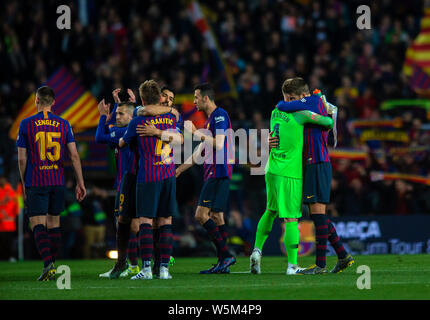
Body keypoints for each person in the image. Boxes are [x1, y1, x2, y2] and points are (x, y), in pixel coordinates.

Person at [250, 83, 334, 275]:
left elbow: (274, 134)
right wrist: (324, 106)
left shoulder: (274, 112)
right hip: (289, 173)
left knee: (270, 210)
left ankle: (256, 250)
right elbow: (328, 123)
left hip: (271, 169)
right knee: (291, 219)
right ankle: (292, 266)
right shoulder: (301, 114)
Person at [271, 78, 354, 274]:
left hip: (316, 162)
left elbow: (281, 105)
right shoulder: (312, 105)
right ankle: (343, 256)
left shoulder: (314, 101)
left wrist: (286, 103)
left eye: (292, 99)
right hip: (313, 163)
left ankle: (321, 265)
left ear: (302, 96)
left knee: (318, 215)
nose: (289, 102)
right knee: (318, 215)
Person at [16, 86, 86, 281]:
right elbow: (74, 155)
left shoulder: (26, 124)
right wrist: (81, 182)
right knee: (54, 223)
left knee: (37, 223)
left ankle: (48, 264)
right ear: (53, 102)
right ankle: (51, 264)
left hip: (36, 180)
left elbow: (22, 159)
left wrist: (24, 182)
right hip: (57, 180)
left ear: (36, 101)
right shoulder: (64, 124)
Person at [119, 80, 182, 280]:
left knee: (145, 221)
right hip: (169, 175)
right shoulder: (171, 119)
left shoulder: (138, 121)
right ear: (160, 98)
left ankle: (146, 269)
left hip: (149, 176)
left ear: (143, 99)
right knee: (165, 221)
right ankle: (164, 269)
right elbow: (180, 139)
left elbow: (122, 142)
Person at [176, 83, 236, 274]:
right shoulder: (210, 121)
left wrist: (194, 133)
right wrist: (178, 171)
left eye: (196, 97)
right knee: (217, 216)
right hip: (215, 171)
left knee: (201, 215)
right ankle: (222, 263)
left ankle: (226, 255)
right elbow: (198, 154)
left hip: (218, 171)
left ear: (206, 98)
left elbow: (218, 144)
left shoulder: (219, 115)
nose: (194, 101)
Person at [95, 92, 141, 278]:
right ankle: (133, 265)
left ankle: (129, 264)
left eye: (121, 114)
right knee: (130, 225)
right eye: (117, 113)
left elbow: (100, 136)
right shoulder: (126, 129)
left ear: (131, 117)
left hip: (128, 184)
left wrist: (102, 117)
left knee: (126, 225)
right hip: (124, 183)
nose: (117, 116)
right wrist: (119, 105)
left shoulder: (123, 131)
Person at [0, 175, 19, 260]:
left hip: (9, 222)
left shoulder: (11, 191)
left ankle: (10, 256)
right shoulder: (8, 191)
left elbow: (14, 206)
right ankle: (5, 257)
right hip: (3, 222)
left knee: (9, 241)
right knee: (3, 241)